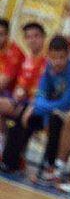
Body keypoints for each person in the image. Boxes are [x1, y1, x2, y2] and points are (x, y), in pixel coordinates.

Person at [0, 35, 70, 174]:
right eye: (54, 58)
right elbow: (40, 94)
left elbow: (67, 103)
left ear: (68, 55)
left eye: (61, 57)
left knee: (54, 120)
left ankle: (50, 167)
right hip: (50, 111)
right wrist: (34, 107)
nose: (57, 62)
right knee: (25, 115)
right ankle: (10, 162)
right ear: (49, 56)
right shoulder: (48, 68)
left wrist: (36, 106)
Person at [0, 22, 46, 153]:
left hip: (34, 106)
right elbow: (20, 87)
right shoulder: (26, 60)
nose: (32, 40)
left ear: (43, 38)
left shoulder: (47, 62)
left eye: (36, 36)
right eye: (28, 37)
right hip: (18, 102)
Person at [0, 18, 25, 96]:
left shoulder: (14, 53)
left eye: (0, 34)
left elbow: (2, 83)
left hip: (12, 95)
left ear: (7, 35)